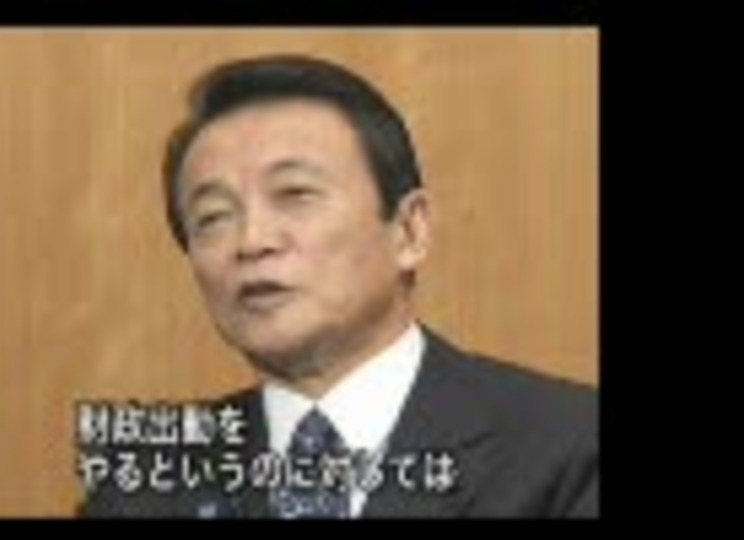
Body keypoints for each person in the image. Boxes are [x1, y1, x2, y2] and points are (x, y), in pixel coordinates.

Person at [78, 54, 598, 518]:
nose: (252, 241)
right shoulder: (140, 487)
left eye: (295, 194)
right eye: (213, 216)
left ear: (409, 231)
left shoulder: (570, 445)